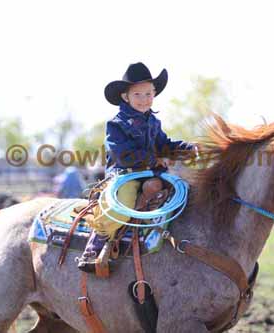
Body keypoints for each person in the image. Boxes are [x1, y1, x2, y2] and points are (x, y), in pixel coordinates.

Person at [77, 62, 196, 272]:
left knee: (184, 192)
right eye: (138, 95)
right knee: (121, 207)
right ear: (126, 97)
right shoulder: (117, 124)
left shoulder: (153, 122)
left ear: (155, 94)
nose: (144, 99)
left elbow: (164, 144)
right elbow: (121, 154)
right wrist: (153, 160)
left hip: (151, 173)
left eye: (148, 94)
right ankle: (95, 245)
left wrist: (187, 148)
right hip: (126, 174)